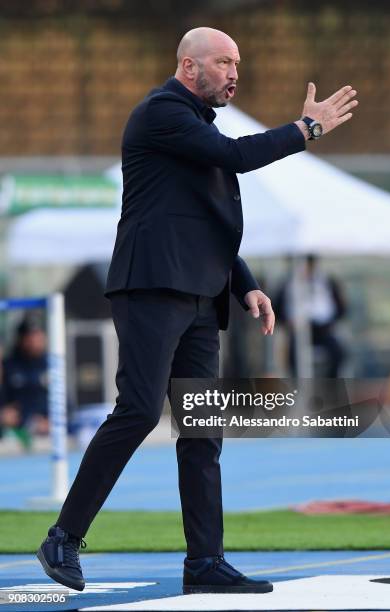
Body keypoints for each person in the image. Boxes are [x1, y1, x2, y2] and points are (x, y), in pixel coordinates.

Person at [36, 27, 358, 594]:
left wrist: (246, 285)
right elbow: (236, 157)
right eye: (225, 62)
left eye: (238, 63)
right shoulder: (162, 114)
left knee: (202, 430)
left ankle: (204, 564)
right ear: (190, 67)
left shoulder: (198, 128)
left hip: (202, 297)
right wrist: (305, 129)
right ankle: (63, 537)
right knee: (137, 412)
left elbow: (204, 223)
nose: (235, 73)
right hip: (152, 288)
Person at [274, 255, 348, 377]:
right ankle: (299, 387)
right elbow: (277, 309)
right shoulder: (287, 284)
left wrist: (329, 322)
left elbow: (340, 308)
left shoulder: (327, 282)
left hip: (323, 330)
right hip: (297, 331)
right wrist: (288, 322)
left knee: (339, 353)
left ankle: (329, 386)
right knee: (292, 357)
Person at [0, 316, 49, 445]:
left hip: (50, 431)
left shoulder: (52, 365)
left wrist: (51, 421)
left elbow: (66, 404)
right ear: (21, 339)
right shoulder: (8, 366)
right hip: (16, 432)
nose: (34, 341)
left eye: (37, 336)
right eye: (29, 337)